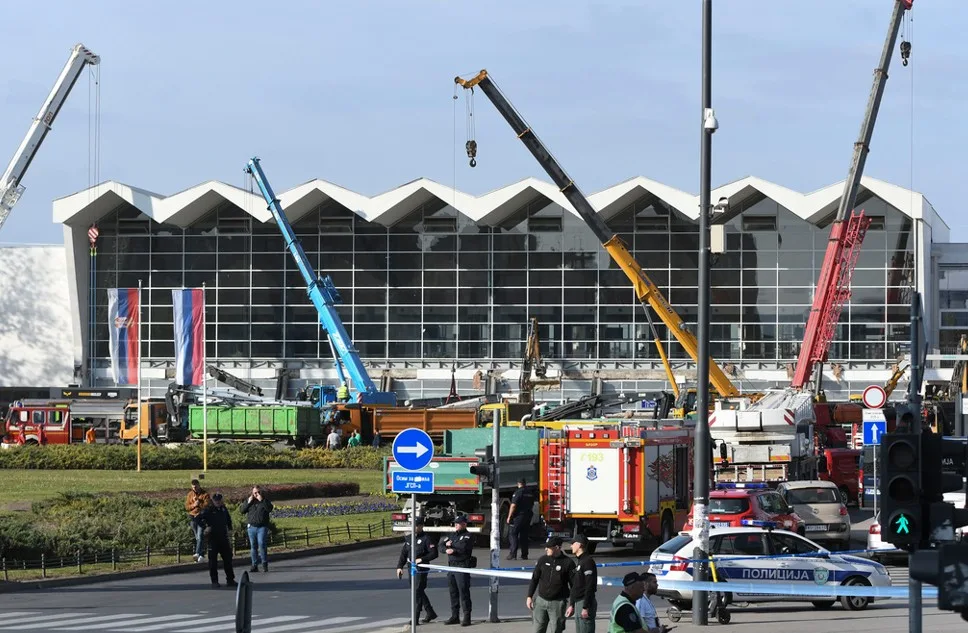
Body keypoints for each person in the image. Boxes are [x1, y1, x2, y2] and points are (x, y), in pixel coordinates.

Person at [527, 536, 576, 633]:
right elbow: (534, 579)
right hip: (541, 601)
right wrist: (529, 596)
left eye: (548, 547)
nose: (546, 549)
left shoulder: (568, 563)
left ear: (557, 547)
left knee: (556, 630)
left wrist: (572, 605)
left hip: (558, 603)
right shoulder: (542, 560)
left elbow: (574, 585)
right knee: (537, 630)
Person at [396, 517, 439, 625]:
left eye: (416, 525)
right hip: (411, 568)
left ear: (421, 526)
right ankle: (430, 612)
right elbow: (404, 553)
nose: (414, 527)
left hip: (421, 569)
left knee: (417, 592)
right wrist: (399, 566)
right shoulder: (409, 538)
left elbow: (434, 553)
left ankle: (415, 618)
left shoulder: (427, 538)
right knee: (417, 591)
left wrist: (422, 559)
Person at [198, 492, 237, 588]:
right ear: (213, 501)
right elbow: (197, 519)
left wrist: (230, 529)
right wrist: (205, 527)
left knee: (228, 559)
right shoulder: (208, 510)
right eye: (216, 500)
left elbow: (228, 519)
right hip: (213, 539)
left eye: (219, 500)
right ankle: (214, 581)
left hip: (223, 537)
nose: (218, 502)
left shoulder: (223, 509)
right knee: (213, 561)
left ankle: (230, 579)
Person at [443, 514, 474, 626]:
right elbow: (441, 545)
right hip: (451, 566)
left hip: (462, 566)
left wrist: (453, 549)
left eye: (458, 523)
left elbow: (463, 548)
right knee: (453, 592)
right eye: (455, 523)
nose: (456, 525)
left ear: (464, 524)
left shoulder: (468, 536)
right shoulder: (452, 535)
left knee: (463, 592)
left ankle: (467, 617)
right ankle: (454, 616)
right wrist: (446, 547)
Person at [240, 485, 273, 573]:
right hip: (252, 527)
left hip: (262, 527)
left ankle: (264, 564)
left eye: (258, 492)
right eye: (255, 493)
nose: (257, 494)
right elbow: (242, 511)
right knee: (253, 546)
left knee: (261, 544)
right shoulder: (250, 501)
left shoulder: (265, 500)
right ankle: (254, 565)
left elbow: (269, 509)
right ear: (252, 493)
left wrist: (262, 500)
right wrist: (248, 502)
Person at [570, 535, 598, 633]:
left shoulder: (587, 562)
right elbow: (576, 585)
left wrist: (585, 606)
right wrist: (572, 604)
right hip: (579, 603)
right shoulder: (581, 561)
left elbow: (589, 585)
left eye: (573, 543)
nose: (571, 546)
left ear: (579, 545)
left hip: (585, 603)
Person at [507, 478, 535, 560]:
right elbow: (532, 504)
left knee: (513, 533)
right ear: (525, 483)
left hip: (519, 516)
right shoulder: (530, 493)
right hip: (528, 515)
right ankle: (524, 554)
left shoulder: (518, 492)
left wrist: (509, 517)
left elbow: (513, 505)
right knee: (524, 535)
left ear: (518, 483)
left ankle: (513, 554)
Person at [185, 479, 211, 563]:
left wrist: (199, 503)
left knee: (200, 536)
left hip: (201, 517)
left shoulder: (205, 494)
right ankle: (201, 555)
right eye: (193, 487)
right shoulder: (190, 494)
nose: (194, 489)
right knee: (198, 537)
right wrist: (193, 505)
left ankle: (197, 553)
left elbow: (207, 506)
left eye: (196, 487)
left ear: (199, 485)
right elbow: (187, 507)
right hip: (192, 517)